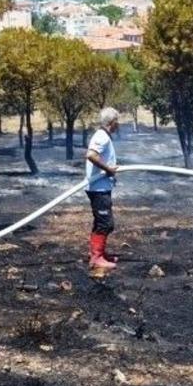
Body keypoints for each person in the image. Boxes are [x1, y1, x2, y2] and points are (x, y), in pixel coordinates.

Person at [85, 107, 121, 272]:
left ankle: (98, 254)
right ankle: (97, 258)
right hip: (98, 188)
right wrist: (108, 169)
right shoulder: (102, 136)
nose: (118, 125)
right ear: (112, 122)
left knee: (101, 222)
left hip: (101, 187)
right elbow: (91, 155)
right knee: (106, 223)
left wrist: (109, 171)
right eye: (117, 121)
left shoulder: (104, 136)